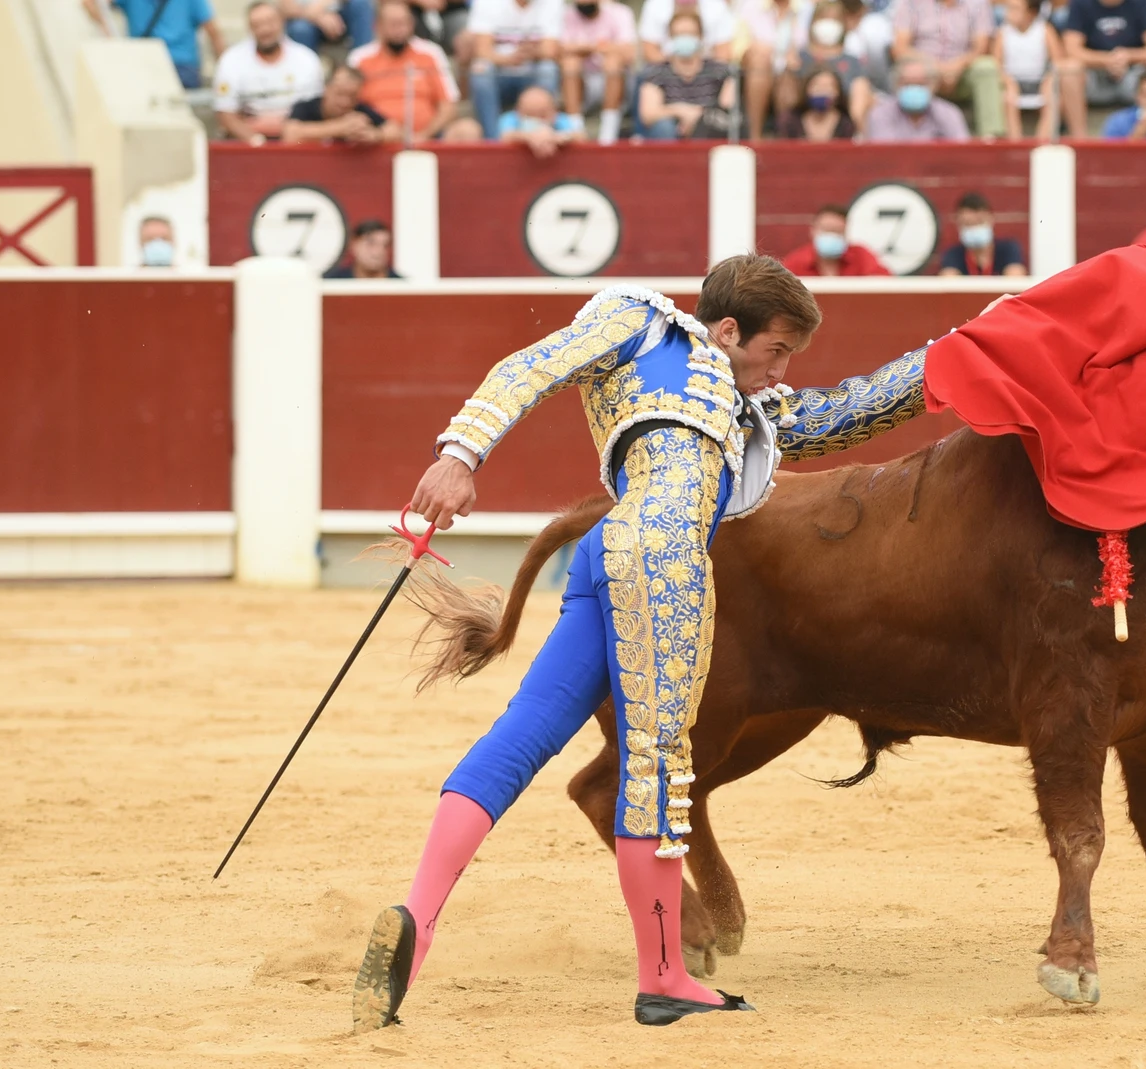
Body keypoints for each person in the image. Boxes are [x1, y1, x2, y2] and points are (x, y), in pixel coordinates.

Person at [352, 255, 935, 1031]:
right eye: (777, 350)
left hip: (602, 549)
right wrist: (459, 456)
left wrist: (964, 350)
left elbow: (855, 408)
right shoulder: (643, 321)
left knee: (524, 732)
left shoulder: (735, 396)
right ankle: (663, 974)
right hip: (662, 557)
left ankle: (417, 920)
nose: (783, 370)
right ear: (729, 330)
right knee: (659, 761)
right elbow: (532, 365)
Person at [213, 2, 326, 144]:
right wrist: (257, 142)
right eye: (257, 25)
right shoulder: (230, 60)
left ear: (282, 22)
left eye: (270, 22)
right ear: (249, 28)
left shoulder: (307, 59)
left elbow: (315, 113)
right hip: (248, 142)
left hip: (297, 141)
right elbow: (226, 115)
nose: (265, 29)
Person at [1059, 0, 1146, 138]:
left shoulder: (1145, 3)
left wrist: (1128, 56)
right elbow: (1071, 49)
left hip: (1133, 74)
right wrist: (1106, 60)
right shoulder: (1080, 3)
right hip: (1095, 74)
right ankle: (1079, 139)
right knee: (1068, 68)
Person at [351, 1, 460, 141]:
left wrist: (424, 135)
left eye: (404, 23)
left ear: (412, 24)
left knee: (467, 129)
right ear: (377, 26)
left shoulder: (431, 53)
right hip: (376, 138)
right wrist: (381, 131)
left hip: (429, 136)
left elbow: (449, 106)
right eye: (393, 24)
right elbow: (349, 104)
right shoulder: (360, 58)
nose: (399, 30)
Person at [892, 0, 1003, 138]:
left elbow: (981, 48)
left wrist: (957, 66)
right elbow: (900, 48)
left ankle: (990, 138)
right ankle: (901, 139)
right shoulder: (910, 3)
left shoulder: (978, 4)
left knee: (987, 67)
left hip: (962, 70)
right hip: (924, 70)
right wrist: (937, 67)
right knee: (909, 70)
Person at [468, 0, 564, 140]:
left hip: (532, 70)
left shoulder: (552, 3)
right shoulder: (487, 3)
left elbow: (550, 50)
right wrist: (509, 59)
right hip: (499, 72)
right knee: (480, 69)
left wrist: (529, 53)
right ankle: (493, 140)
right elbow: (481, 50)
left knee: (548, 68)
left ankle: (543, 136)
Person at [82, 0, 226, 89]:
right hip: (174, 65)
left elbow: (88, 2)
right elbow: (213, 32)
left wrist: (107, 30)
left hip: (152, 64)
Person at [637, 10, 735, 139]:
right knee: (663, 126)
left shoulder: (720, 71)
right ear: (670, 38)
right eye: (679, 34)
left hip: (710, 130)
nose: (685, 38)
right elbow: (648, 114)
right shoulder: (656, 73)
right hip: (671, 132)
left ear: (701, 37)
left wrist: (698, 118)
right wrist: (680, 111)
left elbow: (728, 108)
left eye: (690, 34)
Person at [560, 0, 638, 145]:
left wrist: (590, 48)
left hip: (618, 83)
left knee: (612, 62)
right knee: (570, 64)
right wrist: (596, 47)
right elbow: (559, 50)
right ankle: (576, 129)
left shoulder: (620, 12)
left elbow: (628, 53)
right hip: (583, 84)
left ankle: (608, 135)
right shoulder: (567, 14)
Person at [792, 2, 877, 129]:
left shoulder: (852, 61)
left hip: (842, 119)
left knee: (862, 87)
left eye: (834, 19)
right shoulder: (799, 57)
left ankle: (859, 138)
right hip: (805, 116)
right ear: (813, 22)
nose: (828, 24)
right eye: (823, 18)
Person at [737, 0, 814, 140]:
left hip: (795, 71)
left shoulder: (806, 8)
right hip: (758, 70)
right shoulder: (750, 6)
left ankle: (785, 141)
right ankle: (755, 138)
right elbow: (739, 50)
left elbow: (815, 48)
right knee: (760, 65)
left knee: (788, 78)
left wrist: (797, 57)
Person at [995, 0, 1060, 139]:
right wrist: (1007, 81)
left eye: (1015, 9)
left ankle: (1041, 144)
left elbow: (1058, 63)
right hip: (1013, 82)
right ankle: (1015, 143)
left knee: (1053, 97)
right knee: (1007, 98)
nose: (1009, 13)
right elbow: (996, 65)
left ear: (1031, 13)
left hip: (1039, 81)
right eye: (1008, 8)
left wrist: (1049, 79)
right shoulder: (1002, 33)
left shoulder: (1045, 30)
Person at [864, 55, 972, 139]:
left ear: (933, 86)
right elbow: (883, 155)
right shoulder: (880, 114)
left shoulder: (949, 113)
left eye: (920, 84)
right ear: (896, 85)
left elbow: (962, 152)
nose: (914, 89)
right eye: (908, 84)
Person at [284, 64, 396, 143]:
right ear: (326, 88)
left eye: (352, 96)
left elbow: (395, 131)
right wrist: (340, 128)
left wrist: (376, 135)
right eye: (340, 94)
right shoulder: (306, 107)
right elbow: (291, 134)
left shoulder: (361, 110)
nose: (345, 102)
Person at [781, 204, 893, 274]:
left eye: (837, 231)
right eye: (826, 230)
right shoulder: (796, 262)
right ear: (813, 231)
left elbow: (885, 283)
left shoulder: (861, 257)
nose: (831, 235)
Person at [937, 192, 1028, 276]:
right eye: (968, 224)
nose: (974, 228)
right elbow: (948, 279)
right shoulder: (954, 254)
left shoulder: (1008, 249)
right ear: (958, 224)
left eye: (979, 222)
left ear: (991, 219)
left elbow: (1016, 276)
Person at [637, 0, 737, 63]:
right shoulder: (654, 4)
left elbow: (724, 54)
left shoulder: (717, 5)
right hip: (665, 75)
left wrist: (696, 66)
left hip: (707, 76)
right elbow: (649, 52)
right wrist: (679, 66)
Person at [499, 84, 585, 153]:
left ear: (554, 111)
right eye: (529, 115)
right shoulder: (509, 118)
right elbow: (505, 136)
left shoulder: (561, 119)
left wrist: (555, 137)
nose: (536, 120)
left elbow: (580, 136)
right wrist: (530, 137)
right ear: (518, 111)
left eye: (542, 115)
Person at [778, 67, 859, 138]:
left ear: (838, 93)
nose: (822, 91)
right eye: (817, 86)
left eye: (828, 87)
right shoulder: (790, 121)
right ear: (806, 90)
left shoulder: (846, 124)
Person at [281, 0, 376, 51]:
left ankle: (361, 60)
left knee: (361, 3)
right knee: (300, 29)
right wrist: (318, 17)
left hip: (340, 11)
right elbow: (288, 9)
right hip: (305, 18)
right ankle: (307, 74)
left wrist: (321, 7)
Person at [325, 219, 404, 277]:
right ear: (354, 245)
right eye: (371, 243)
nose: (378, 252)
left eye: (385, 245)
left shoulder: (403, 288)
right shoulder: (333, 284)